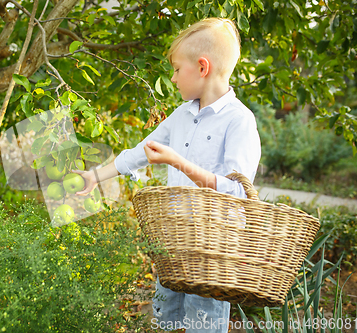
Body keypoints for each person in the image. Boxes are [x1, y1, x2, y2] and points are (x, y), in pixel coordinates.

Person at [74, 17, 261, 333]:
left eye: (176, 69)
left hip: (211, 252)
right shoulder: (181, 115)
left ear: (202, 68)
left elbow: (239, 192)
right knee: (165, 320)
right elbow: (140, 152)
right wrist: (95, 176)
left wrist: (178, 162)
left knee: (203, 321)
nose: (173, 79)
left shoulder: (239, 121)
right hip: (172, 245)